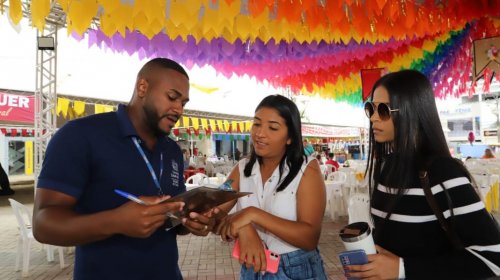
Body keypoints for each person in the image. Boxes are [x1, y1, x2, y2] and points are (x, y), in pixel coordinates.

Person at [32, 58, 217, 280]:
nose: (178, 109)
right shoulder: (80, 136)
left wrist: (190, 222)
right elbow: (43, 224)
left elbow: (171, 222)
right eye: (172, 97)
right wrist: (116, 221)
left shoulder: (172, 151)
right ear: (143, 88)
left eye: (183, 103)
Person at [346, 70, 500, 279]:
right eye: (370, 108)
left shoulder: (442, 172)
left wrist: (401, 269)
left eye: (383, 110)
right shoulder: (387, 168)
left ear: (412, 111)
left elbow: (492, 258)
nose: (373, 118)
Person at [214, 95, 328, 279]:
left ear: (290, 137)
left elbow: (309, 237)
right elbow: (213, 211)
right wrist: (244, 228)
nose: (260, 133)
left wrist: (252, 214)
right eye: (257, 124)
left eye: (273, 127)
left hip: (295, 269)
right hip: (252, 268)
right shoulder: (242, 169)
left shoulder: (306, 169)